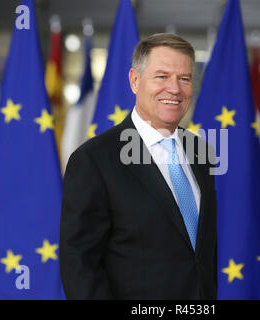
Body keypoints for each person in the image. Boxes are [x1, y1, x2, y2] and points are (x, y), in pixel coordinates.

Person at [60, 33, 217, 300]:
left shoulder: (201, 151)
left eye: (184, 78)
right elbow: (80, 265)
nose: (175, 89)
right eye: (162, 76)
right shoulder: (94, 160)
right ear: (135, 81)